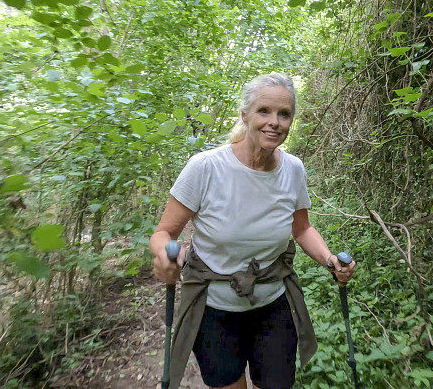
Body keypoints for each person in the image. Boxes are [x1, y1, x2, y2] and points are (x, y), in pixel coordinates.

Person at [149, 72, 357, 389]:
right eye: (264, 111)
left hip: (274, 302)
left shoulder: (293, 169)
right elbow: (164, 233)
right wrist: (164, 256)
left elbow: (301, 229)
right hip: (214, 308)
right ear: (245, 115)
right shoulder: (205, 167)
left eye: (284, 114)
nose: (274, 122)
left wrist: (330, 260)